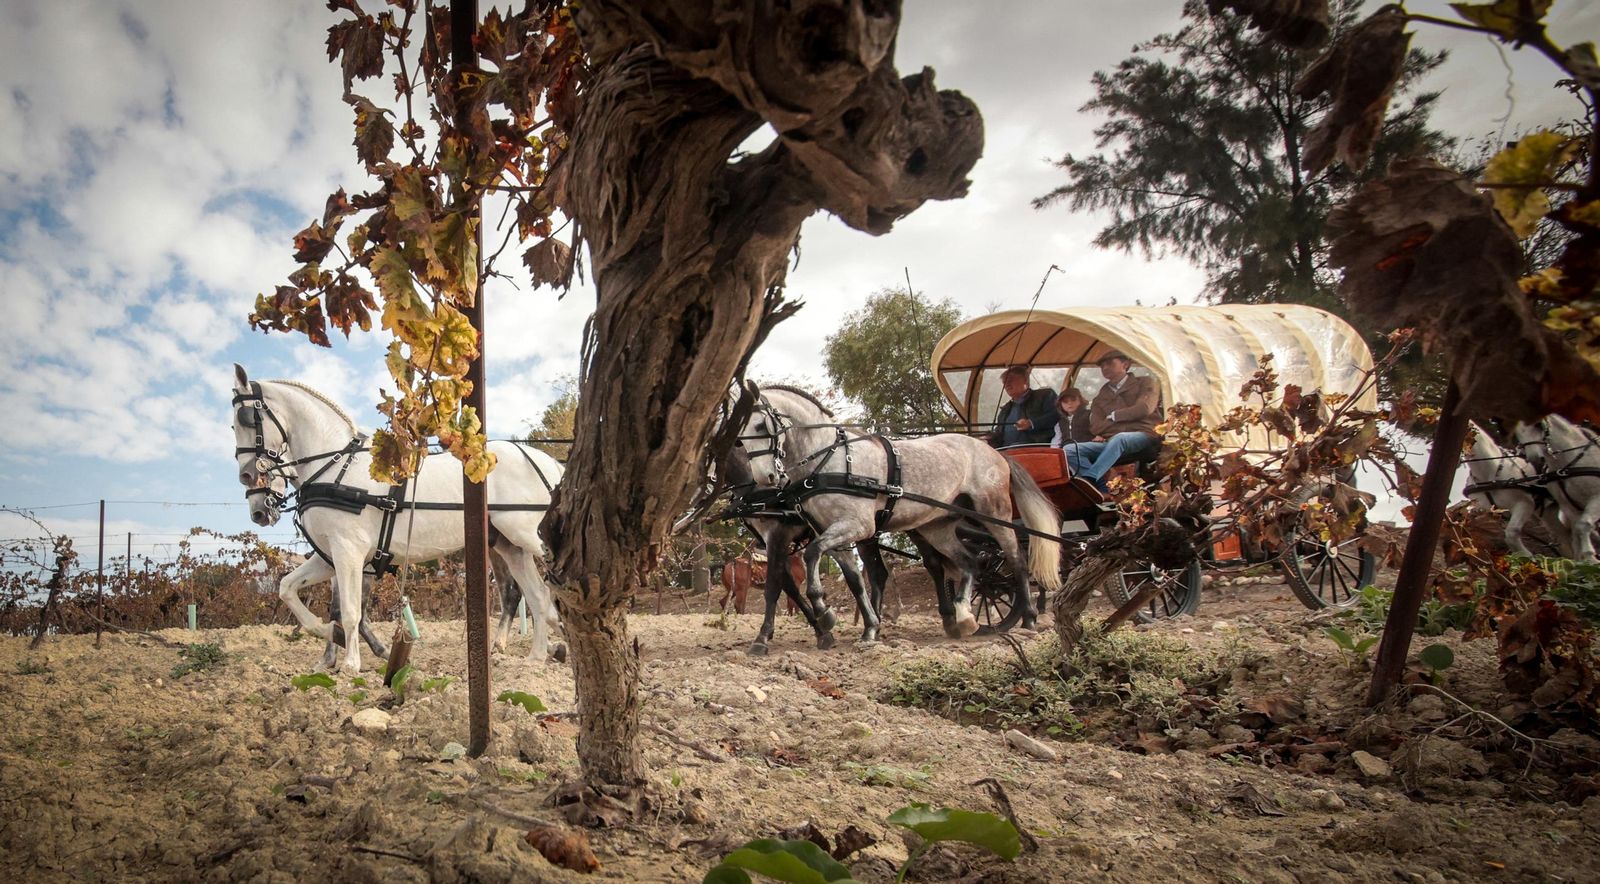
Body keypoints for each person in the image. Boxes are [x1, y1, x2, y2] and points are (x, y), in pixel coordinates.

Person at [1065, 350, 1162, 491]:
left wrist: (1115, 416)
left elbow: (1144, 408)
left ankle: (1089, 478)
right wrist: (1127, 417)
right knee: (1069, 449)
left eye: (1110, 363)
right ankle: (1099, 490)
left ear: (1125, 364)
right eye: (1102, 365)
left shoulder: (1145, 383)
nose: (1105, 368)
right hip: (1112, 442)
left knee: (1120, 438)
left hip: (1145, 436)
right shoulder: (1101, 396)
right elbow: (1096, 427)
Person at [988, 365, 1058, 447]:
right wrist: (988, 438)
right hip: (1006, 453)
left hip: (1036, 450)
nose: (1007, 384)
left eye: (1010, 380)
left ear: (1025, 380)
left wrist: (1031, 423)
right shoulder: (1005, 409)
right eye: (1004, 382)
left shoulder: (1045, 395)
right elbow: (999, 434)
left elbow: (1056, 415)